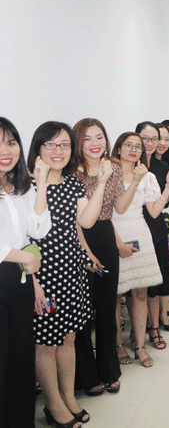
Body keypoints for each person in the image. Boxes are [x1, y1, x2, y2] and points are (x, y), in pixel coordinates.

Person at [28, 121, 108, 427]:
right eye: (50, 144)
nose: (58, 150)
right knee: (46, 344)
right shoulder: (27, 186)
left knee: (69, 338)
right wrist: (34, 285)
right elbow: (24, 240)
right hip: (44, 281)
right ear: (38, 149)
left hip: (72, 276)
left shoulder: (73, 184)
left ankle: (67, 397)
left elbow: (86, 222)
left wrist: (102, 182)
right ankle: (53, 404)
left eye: (64, 144)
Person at [72, 118, 139, 398]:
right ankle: (85, 375)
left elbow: (119, 207)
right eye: (88, 138)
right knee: (82, 313)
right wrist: (85, 251)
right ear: (78, 142)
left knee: (107, 308)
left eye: (99, 137)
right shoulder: (72, 173)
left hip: (105, 237)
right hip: (80, 240)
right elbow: (75, 221)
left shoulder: (112, 167)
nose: (95, 143)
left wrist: (134, 181)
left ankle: (109, 370)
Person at [0, 117, 51, 428]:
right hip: (9, 270)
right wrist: (25, 259)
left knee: (20, 358)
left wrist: (40, 183)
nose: (5, 150)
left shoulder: (20, 187)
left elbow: (38, 229)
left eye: (11, 142)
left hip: (18, 280)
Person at [111, 132, 165, 369]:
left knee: (141, 293)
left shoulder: (147, 175)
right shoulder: (109, 173)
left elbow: (153, 211)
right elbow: (110, 212)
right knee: (116, 295)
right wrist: (117, 243)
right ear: (118, 148)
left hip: (141, 235)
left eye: (138, 147)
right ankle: (118, 345)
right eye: (129, 145)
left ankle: (140, 345)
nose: (134, 150)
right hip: (115, 235)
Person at [136, 122, 169, 350]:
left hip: (157, 226)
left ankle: (154, 327)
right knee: (139, 287)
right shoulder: (129, 165)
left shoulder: (162, 167)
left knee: (155, 283)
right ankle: (137, 330)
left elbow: (167, 199)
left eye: (155, 139)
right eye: (146, 138)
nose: (151, 143)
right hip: (136, 227)